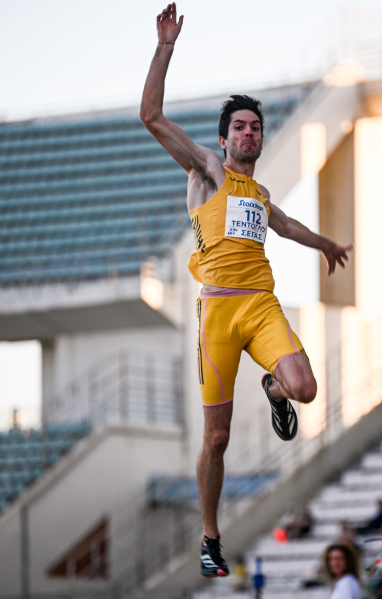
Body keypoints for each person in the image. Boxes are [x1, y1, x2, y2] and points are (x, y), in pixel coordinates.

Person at [140, 4, 353, 578]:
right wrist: (166, 47)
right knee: (217, 437)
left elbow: (286, 226)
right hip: (216, 318)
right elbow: (152, 115)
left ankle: (276, 388)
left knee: (305, 388)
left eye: (256, 127)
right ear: (224, 137)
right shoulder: (206, 170)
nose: (249, 133)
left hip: (259, 307)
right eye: (240, 126)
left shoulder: (257, 195)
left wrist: (326, 245)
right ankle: (211, 537)